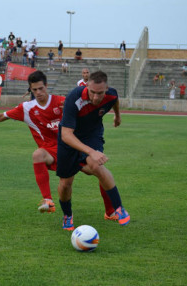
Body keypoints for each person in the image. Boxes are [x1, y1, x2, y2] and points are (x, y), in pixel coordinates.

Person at [0, 71, 65, 213]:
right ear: (31, 89)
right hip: (50, 151)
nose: (38, 92)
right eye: (34, 90)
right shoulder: (27, 108)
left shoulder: (61, 102)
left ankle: (108, 211)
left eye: (41, 88)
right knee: (37, 155)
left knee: (96, 170)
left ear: (46, 86)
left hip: (69, 149)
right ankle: (48, 200)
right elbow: (1, 116)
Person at [56, 70, 130, 231]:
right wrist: (91, 151)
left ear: (107, 89)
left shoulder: (111, 94)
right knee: (66, 183)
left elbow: (115, 100)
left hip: (92, 134)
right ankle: (68, 215)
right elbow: (66, 135)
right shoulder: (73, 99)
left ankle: (119, 208)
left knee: (96, 165)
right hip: (69, 138)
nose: (96, 97)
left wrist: (117, 116)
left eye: (100, 93)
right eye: (92, 92)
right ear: (87, 86)